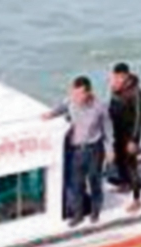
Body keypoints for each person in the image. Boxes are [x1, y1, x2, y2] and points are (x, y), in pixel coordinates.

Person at [44, 76, 115, 226]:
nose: (75, 97)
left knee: (95, 181)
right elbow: (60, 108)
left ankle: (95, 211)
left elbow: (108, 131)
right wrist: (50, 115)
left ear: (88, 93)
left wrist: (110, 150)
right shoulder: (70, 101)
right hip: (76, 150)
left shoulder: (100, 107)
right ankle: (78, 215)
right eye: (73, 93)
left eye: (79, 94)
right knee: (76, 183)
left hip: (94, 149)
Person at [108, 62, 141, 213]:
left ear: (125, 76)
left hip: (130, 135)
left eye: (118, 77)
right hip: (117, 131)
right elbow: (111, 108)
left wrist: (134, 140)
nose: (115, 79)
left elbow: (139, 117)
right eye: (114, 76)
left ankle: (137, 200)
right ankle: (125, 184)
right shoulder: (115, 89)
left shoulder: (136, 93)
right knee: (119, 160)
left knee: (131, 165)